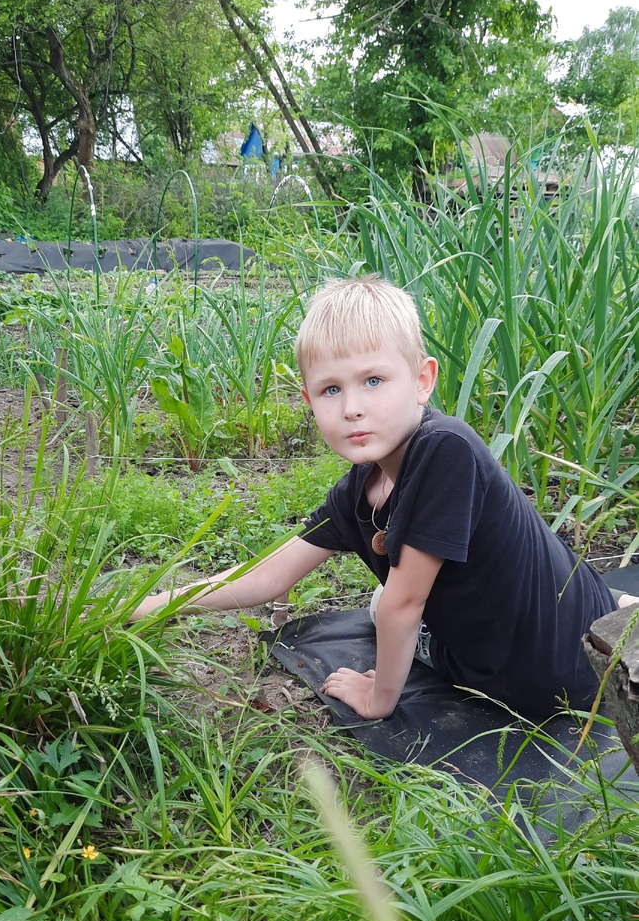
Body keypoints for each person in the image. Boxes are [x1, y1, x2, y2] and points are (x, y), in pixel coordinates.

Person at [130, 276, 635, 718]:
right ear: (308, 400)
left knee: (386, 605)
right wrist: (144, 606)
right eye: (330, 390)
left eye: (373, 380)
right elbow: (266, 577)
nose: (352, 407)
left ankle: (618, 604)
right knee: (386, 604)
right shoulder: (359, 489)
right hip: (540, 658)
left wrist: (379, 699)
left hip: (552, 674)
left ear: (422, 381)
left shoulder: (447, 449)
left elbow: (405, 603)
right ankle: (618, 601)